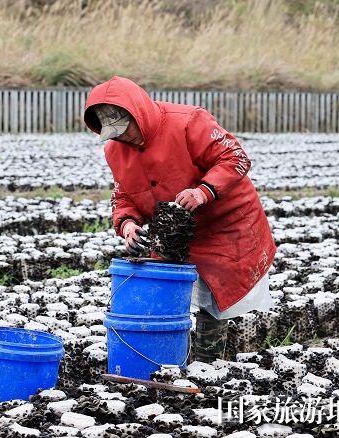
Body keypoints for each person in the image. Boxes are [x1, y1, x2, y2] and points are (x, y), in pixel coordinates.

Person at [83, 76, 277, 364]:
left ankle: (207, 366)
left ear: (139, 112)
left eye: (125, 128)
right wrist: (127, 224)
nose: (122, 136)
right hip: (173, 232)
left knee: (214, 302)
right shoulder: (115, 151)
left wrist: (204, 191)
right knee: (164, 295)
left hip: (225, 225)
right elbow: (123, 195)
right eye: (114, 132)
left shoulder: (188, 122)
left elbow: (235, 157)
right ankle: (169, 363)